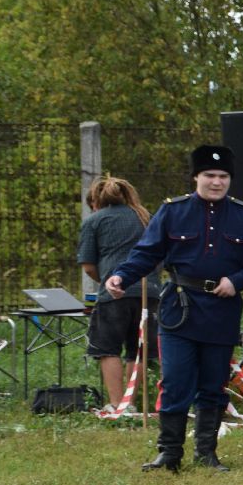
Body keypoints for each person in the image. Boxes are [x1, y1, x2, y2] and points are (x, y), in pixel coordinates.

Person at [104, 146, 243, 472]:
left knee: (213, 384)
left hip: (222, 310)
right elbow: (147, 252)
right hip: (180, 308)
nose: (216, 182)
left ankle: (206, 454)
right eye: (209, 175)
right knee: (176, 381)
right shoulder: (172, 211)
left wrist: (236, 281)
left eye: (223, 177)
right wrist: (121, 275)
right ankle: (169, 453)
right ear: (196, 176)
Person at [78, 175, 151, 409]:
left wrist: (106, 281)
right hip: (150, 292)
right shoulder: (145, 217)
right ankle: (132, 402)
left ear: (95, 202)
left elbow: (88, 265)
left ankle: (117, 404)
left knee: (107, 348)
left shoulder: (95, 221)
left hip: (115, 294)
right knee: (137, 349)